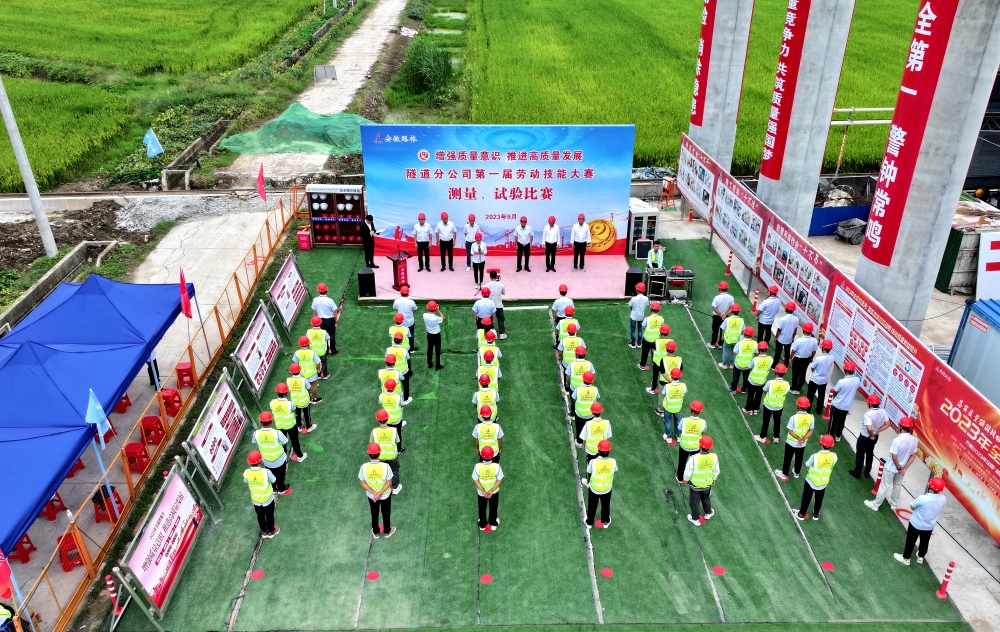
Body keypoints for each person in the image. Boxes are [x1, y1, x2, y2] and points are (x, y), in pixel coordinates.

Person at [866, 417, 918, 511]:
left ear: (901, 426)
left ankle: (875, 504)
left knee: (884, 486)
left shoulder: (897, 440)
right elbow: (913, 456)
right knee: (897, 485)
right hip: (902, 468)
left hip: (892, 467)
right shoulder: (914, 440)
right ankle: (893, 504)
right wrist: (904, 468)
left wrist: (899, 468)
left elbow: (894, 457)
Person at [894, 477, 947, 565]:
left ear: (931, 486)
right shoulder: (943, 498)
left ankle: (906, 558)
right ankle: (920, 557)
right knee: (925, 542)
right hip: (929, 526)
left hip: (916, 524)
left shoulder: (922, 498)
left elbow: (912, 506)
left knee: (911, 541)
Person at [792, 434, 837, 521]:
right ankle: (816, 514)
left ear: (821, 444)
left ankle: (801, 514)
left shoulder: (815, 456)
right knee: (819, 499)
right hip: (823, 482)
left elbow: (807, 465)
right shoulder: (834, 456)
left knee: (806, 497)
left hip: (811, 481)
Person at [850, 394, 891, 480]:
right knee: (870, 453)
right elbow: (887, 424)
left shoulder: (868, 414)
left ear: (870, 404)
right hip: (875, 437)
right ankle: (867, 472)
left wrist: (871, 435)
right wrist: (877, 432)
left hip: (865, 437)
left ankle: (857, 473)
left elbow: (869, 428)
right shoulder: (882, 411)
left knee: (860, 455)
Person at [775, 397, 814, 481]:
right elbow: (811, 430)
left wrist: (798, 438)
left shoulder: (794, 417)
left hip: (791, 442)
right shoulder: (811, 417)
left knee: (788, 457)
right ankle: (796, 472)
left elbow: (790, 430)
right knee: (799, 457)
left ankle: (784, 473)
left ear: (798, 406)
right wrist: (803, 439)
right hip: (802, 443)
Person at [360, 443, 395, 538]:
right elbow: (389, 482)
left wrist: (374, 493)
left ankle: (375, 532)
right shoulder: (386, 467)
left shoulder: (364, 467)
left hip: (372, 496)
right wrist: (380, 493)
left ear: (368, 453)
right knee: (386, 512)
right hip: (385, 495)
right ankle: (387, 531)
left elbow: (362, 483)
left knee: (374, 512)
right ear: (379, 453)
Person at [252, 412, 291, 494]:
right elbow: (285, 442)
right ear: (271, 421)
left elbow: (255, 441)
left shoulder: (256, 433)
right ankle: (281, 488)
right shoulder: (277, 433)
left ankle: (274, 489)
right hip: (279, 460)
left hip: (266, 461)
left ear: (260, 422)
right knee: (281, 475)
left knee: (271, 475)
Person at [244, 451, 279, 538]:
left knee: (260, 516)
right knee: (269, 514)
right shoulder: (266, 472)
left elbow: (246, 481)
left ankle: (264, 531)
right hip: (267, 499)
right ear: (260, 461)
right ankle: (271, 531)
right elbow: (274, 480)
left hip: (256, 500)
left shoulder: (246, 472)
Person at [685, 436, 719, 525]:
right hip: (707, 484)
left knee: (695, 502)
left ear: (700, 446)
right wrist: (713, 479)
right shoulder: (714, 457)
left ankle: (695, 519)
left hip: (695, 485)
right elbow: (716, 470)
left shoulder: (693, 458)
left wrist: (686, 479)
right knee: (706, 498)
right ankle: (708, 513)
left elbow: (688, 472)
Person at [271, 383, 306, 462]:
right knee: (295, 441)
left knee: (282, 442)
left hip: (280, 426)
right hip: (291, 425)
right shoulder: (290, 403)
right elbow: (294, 408)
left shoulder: (272, 402)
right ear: (286, 393)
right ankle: (300, 456)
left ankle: (284, 456)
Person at [586, 439, 617, 528]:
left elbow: (589, 471)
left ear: (598, 450)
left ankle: (589, 522)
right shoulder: (613, 462)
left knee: (592, 506)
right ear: (609, 451)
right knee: (606, 505)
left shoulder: (593, 462)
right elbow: (615, 469)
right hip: (607, 489)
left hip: (594, 489)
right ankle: (606, 521)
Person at [757, 364, 790, 444]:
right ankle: (776, 437)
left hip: (768, 405)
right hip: (779, 406)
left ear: (775, 372)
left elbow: (765, 390)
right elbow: (784, 393)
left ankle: (762, 436)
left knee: (766, 421)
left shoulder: (770, 382)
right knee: (777, 421)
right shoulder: (787, 384)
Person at [371, 410, 402, 495]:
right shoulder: (393, 430)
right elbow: (397, 441)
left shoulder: (374, 431)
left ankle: (383, 488)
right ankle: (395, 488)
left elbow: (372, 443)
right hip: (392, 455)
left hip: (380, 456)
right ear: (387, 419)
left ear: (377, 420)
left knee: (382, 472)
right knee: (394, 471)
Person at [828, 361, 861, 440]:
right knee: (841, 421)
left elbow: (835, 391)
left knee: (833, 421)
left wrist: (836, 396)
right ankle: (838, 435)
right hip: (847, 406)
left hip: (837, 404)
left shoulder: (841, 381)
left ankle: (830, 435)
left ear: (845, 370)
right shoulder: (857, 380)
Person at [473, 446, 504, 531]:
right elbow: (499, 480)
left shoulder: (477, 467)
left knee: (482, 507)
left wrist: (483, 491)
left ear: (481, 455)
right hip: (494, 492)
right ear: (492, 455)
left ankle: (482, 524)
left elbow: (475, 480)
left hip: (481, 492)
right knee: (493, 507)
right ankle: (493, 523)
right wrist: (491, 491)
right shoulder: (497, 466)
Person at [676, 401, 706, 482]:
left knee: (682, 462)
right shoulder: (703, 422)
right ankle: (691, 478)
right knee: (694, 463)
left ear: (691, 409)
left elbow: (680, 429)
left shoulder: (684, 420)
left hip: (684, 446)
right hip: (696, 447)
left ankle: (680, 478)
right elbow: (702, 431)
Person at [744, 342, 773, 415]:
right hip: (762, 381)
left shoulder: (755, 359)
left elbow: (750, 367)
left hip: (752, 380)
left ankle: (748, 409)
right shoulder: (770, 359)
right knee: (758, 395)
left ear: (759, 349)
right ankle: (756, 408)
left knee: (750, 395)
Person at [807, 339, 835, 414]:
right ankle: (819, 409)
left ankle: (808, 409)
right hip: (824, 380)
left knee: (810, 395)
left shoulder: (819, 358)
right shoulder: (832, 357)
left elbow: (812, 368)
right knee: (821, 395)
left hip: (815, 379)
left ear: (824, 348)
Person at [311, 283, 341, 355]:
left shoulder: (315, 300)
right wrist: (335, 319)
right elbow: (334, 311)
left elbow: (314, 310)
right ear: (326, 290)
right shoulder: (330, 300)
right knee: (331, 335)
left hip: (320, 320)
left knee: (324, 335)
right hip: (330, 320)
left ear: (318, 291)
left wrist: (317, 318)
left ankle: (326, 349)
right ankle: (333, 350)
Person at [580, 403, 611, 468]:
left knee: (590, 464)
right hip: (602, 449)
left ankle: (589, 474)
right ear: (601, 412)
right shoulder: (607, 423)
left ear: (592, 412)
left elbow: (584, 436)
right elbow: (608, 436)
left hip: (590, 449)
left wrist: (583, 444)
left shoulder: (588, 424)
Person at [286, 363, 316, 434]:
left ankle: (299, 426)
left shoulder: (288, 380)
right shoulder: (303, 380)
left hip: (295, 401)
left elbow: (289, 389)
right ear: (299, 370)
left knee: (297, 414)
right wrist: (310, 396)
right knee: (307, 414)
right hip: (304, 400)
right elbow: (309, 388)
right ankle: (309, 426)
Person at [789, 322, 817, 393]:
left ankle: (793, 388)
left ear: (803, 330)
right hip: (807, 359)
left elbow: (793, 351)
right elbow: (814, 351)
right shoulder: (814, 341)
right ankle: (798, 388)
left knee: (795, 374)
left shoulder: (799, 340)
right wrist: (811, 358)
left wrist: (790, 358)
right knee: (803, 373)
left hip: (797, 359)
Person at [379, 380, 407, 451]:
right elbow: (402, 404)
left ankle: (390, 447)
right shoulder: (398, 397)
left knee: (389, 434)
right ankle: (399, 449)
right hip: (397, 420)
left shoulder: (381, 396)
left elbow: (380, 402)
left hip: (386, 420)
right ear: (394, 387)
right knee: (398, 435)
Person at [294, 336, 323, 404]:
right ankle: (314, 399)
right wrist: (319, 370)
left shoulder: (297, 353)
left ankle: (308, 399)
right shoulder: (312, 352)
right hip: (312, 374)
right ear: (308, 343)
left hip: (302, 374)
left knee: (305, 387)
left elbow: (295, 364)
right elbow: (318, 363)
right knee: (313, 387)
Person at [661, 368, 687, 445]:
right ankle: (678, 436)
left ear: (671, 376)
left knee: (668, 421)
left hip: (668, 407)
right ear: (680, 376)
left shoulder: (667, 386)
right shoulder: (683, 386)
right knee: (678, 420)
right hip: (678, 407)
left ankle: (668, 437)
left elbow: (663, 394)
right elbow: (684, 392)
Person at [385, 333, 412, 404]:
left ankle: (395, 397)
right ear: (402, 341)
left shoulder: (388, 349)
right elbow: (408, 358)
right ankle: (406, 398)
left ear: (394, 340)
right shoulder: (404, 350)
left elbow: (387, 358)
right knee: (406, 386)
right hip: (404, 371)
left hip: (394, 372)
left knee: (394, 385)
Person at [647, 323, 674, 392]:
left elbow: (653, 350)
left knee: (655, 376)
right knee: (666, 376)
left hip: (657, 362)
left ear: (661, 332)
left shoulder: (657, 342)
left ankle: (653, 388)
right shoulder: (671, 341)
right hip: (666, 363)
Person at [572, 371, 600, 438]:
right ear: (592, 380)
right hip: (590, 414)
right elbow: (598, 396)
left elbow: (573, 398)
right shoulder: (595, 389)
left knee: (579, 428)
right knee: (588, 429)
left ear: (583, 379)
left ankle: (579, 441)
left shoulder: (578, 389)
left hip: (579, 413)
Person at [729, 326, 756, 393]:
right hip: (748, 365)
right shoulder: (755, 343)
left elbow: (734, 352)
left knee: (736, 377)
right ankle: (744, 389)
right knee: (746, 378)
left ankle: (733, 388)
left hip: (738, 364)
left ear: (744, 334)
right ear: (752, 335)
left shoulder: (740, 343)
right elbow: (757, 352)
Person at [638, 301, 664, 370]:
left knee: (645, 352)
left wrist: (647, 329)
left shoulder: (647, 319)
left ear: (651, 309)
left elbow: (643, 327)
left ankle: (642, 365)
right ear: (658, 310)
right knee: (654, 352)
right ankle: (654, 363)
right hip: (656, 339)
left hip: (647, 339)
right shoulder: (661, 318)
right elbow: (662, 327)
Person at [393, 286, 419, 351]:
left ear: (400, 293)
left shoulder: (396, 301)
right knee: (411, 335)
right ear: (408, 293)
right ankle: (411, 348)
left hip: (400, 322)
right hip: (410, 322)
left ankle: (400, 346)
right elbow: (415, 310)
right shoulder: (411, 302)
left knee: (400, 334)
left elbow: (396, 309)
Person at [719, 303, 744, 370]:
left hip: (727, 340)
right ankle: (732, 365)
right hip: (736, 340)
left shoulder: (728, 319)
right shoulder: (741, 320)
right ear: (739, 311)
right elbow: (743, 331)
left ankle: (724, 364)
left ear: (732, 311)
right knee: (734, 353)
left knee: (725, 352)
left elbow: (723, 329)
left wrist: (722, 336)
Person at [709, 281, 734, 348]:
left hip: (716, 316)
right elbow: (732, 308)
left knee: (715, 330)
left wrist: (720, 314)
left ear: (720, 289)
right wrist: (725, 314)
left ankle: (713, 343)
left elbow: (714, 308)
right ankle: (720, 344)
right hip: (725, 317)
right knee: (723, 330)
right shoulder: (731, 297)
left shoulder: (717, 298)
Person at [423, 300, 445, 370]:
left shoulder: (424, 315)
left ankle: (429, 363)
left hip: (429, 334)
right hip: (436, 335)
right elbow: (443, 318)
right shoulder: (436, 318)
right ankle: (438, 365)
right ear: (435, 308)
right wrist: (438, 310)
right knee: (437, 350)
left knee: (429, 349)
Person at [485, 271, 507, 338]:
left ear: (490, 277)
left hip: (490, 305)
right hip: (499, 305)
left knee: (490, 319)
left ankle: (490, 333)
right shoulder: (501, 285)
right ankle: (502, 334)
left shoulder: (486, 286)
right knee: (500, 319)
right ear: (496, 276)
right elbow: (504, 293)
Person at [628, 282, 649, 348]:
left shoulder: (633, 299)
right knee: (640, 330)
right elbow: (646, 305)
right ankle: (639, 343)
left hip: (633, 316)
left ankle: (633, 344)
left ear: (636, 289)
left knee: (633, 330)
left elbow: (631, 307)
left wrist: (634, 310)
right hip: (641, 316)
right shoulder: (646, 298)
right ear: (644, 290)